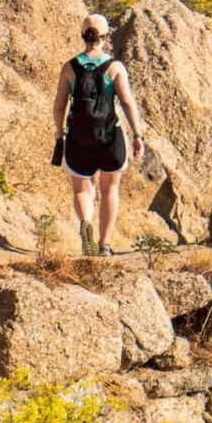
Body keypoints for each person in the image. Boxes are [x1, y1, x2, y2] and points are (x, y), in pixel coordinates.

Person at [50, 14, 146, 257]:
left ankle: (85, 222)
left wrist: (59, 134)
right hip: (110, 137)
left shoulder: (70, 67)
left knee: (82, 190)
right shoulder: (114, 67)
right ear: (104, 38)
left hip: (78, 138)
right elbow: (126, 101)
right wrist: (137, 134)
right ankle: (103, 244)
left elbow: (59, 106)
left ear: (83, 36)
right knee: (109, 190)